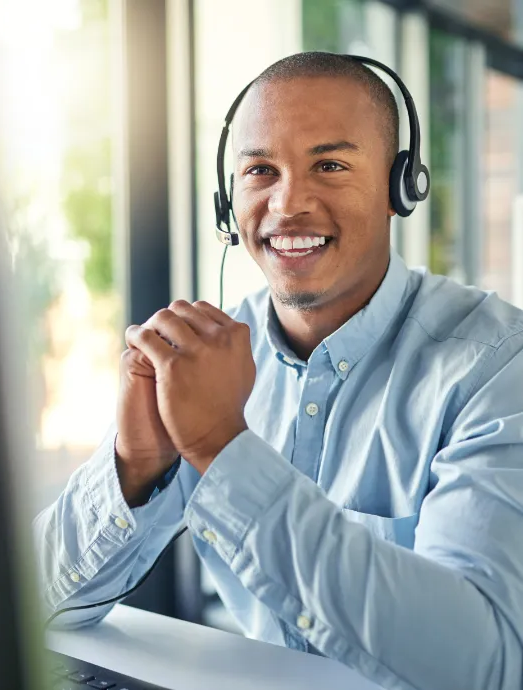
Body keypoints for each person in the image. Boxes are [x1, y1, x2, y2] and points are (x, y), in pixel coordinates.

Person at [34, 52, 523, 690]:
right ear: (226, 199)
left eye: (330, 165)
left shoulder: (496, 366)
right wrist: (134, 466)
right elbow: (32, 600)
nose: (287, 204)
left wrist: (222, 449)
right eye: (261, 169)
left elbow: (479, 664)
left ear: (401, 189)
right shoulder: (207, 360)